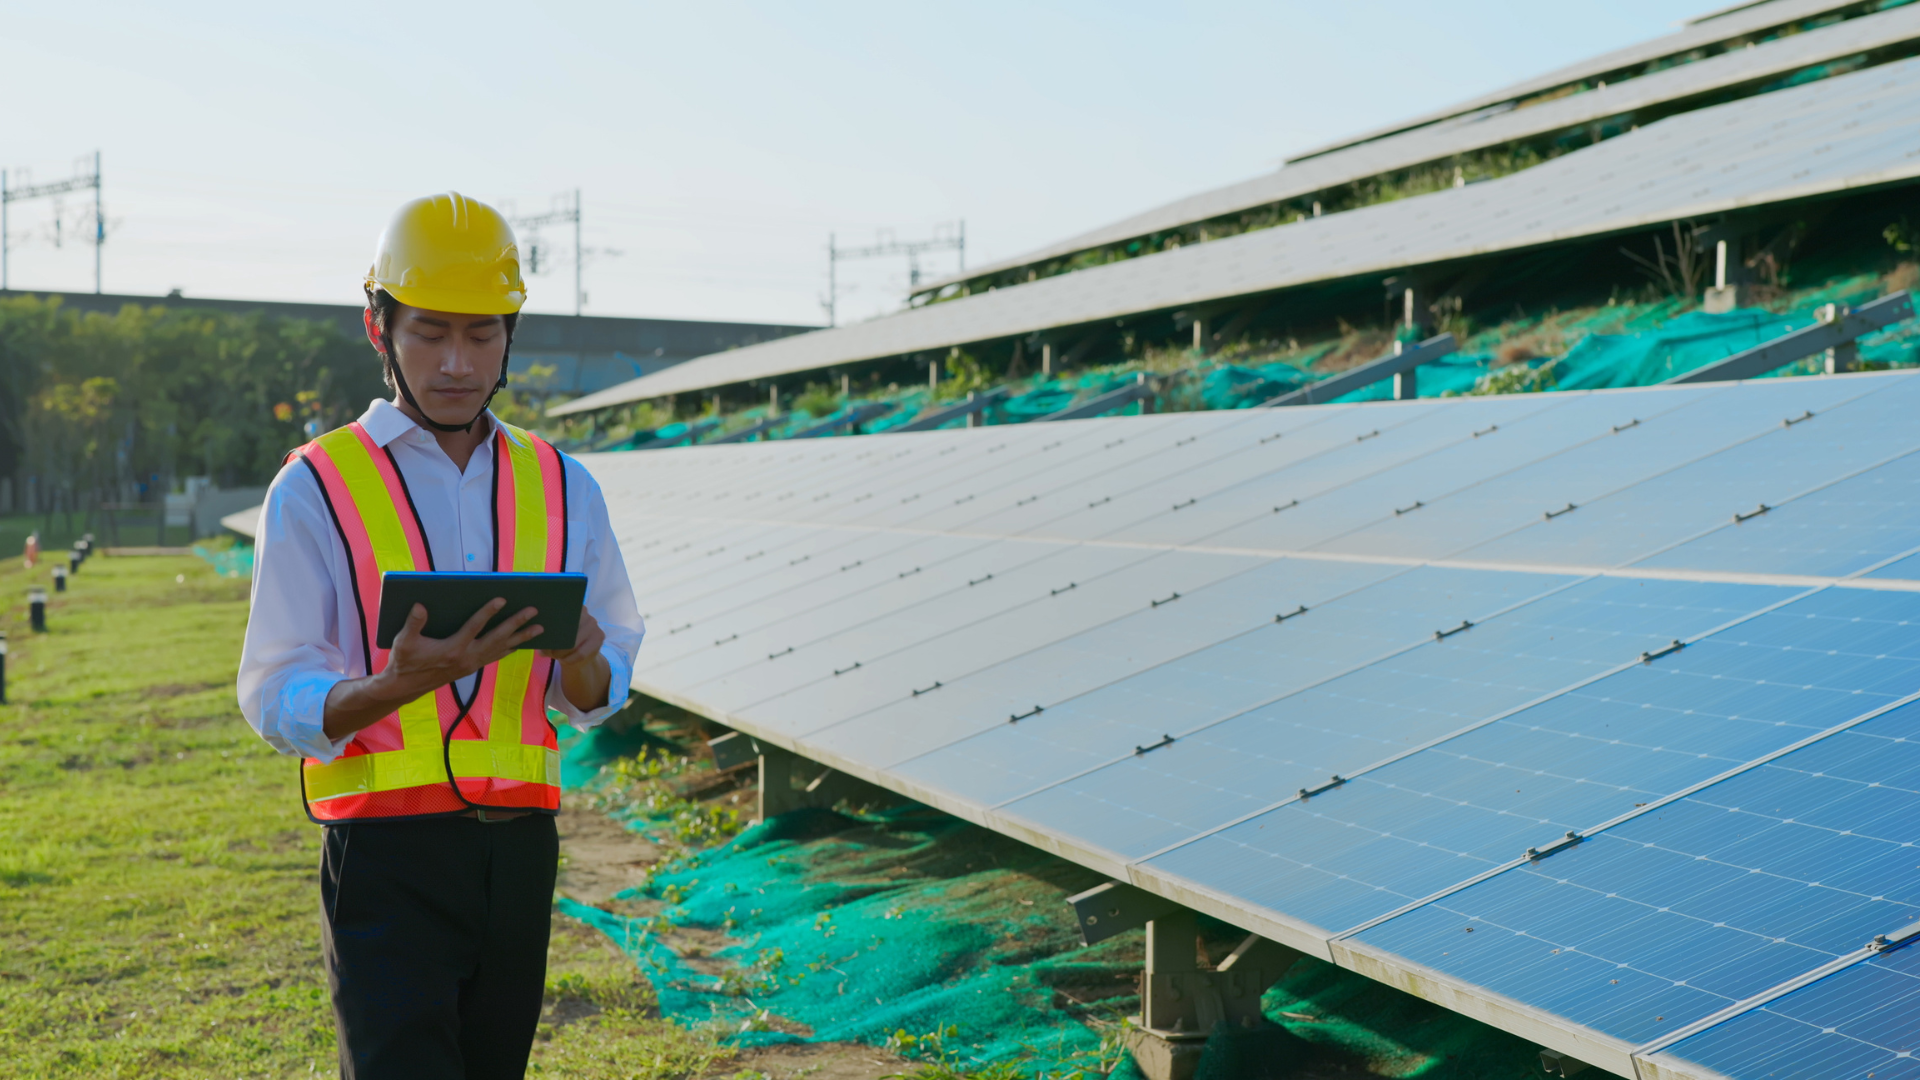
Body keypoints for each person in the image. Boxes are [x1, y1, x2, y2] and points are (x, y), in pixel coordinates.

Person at [236, 192, 644, 1080]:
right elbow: (272, 693)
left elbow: (601, 691)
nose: (457, 363)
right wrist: (393, 684)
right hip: (386, 858)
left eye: (482, 333)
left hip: (520, 857)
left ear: (511, 335)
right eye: (429, 332)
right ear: (378, 328)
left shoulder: (565, 485)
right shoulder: (314, 487)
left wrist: (579, 654)